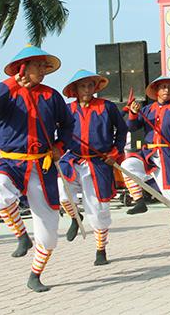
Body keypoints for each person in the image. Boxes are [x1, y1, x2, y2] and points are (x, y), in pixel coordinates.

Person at [0, 45, 75, 292]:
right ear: (22, 68)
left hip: (43, 167)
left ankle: (35, 275)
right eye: (37, 66)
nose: (42, 70)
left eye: (44, 66)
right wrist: (13, 83)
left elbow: (67, 125)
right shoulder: (5, 94)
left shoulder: (52, 96)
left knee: (49, 230)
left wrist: (60, 146)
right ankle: (21, 236)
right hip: (12, 162)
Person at [59, 69, 128, 266]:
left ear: (95, 87)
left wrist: (114, 153)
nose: (87, 89)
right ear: (75, 89)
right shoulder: (67, 109)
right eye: (82, 85)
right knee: (63, 194)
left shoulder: (107, 106)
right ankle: (75, 216)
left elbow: (121, 130)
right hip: (72, 159)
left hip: (98, 162)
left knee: (98, 208)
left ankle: (101, 249)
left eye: (90, 85)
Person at [120, 76, 170, 245]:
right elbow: (132, 128)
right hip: (149, 154)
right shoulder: (147, 110)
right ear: (156, 91)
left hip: (169, 156)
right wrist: (133, 113)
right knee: (127, 165)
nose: (166, 90)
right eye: (163, 87)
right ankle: (139, 201)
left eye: (169, 88)